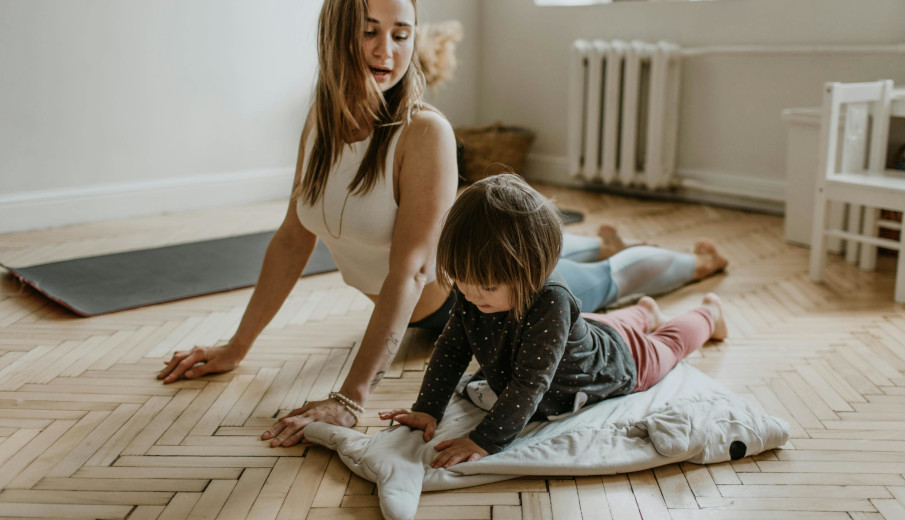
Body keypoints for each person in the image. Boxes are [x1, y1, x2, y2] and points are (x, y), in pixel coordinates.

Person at [156, 0, 727, 448]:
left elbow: (411, 270)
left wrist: (352, 398)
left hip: (482, 297)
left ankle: (696, 264)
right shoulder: (320, 123)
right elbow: (290, 240)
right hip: (466, 277)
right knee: (569, 256)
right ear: (335, 33)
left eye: (401, 34)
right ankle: (599, 251)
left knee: (605, 280)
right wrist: (237, 345)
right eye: (369, 29)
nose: (387, 49)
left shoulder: (423, 132)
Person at [379, 174, 727, 467]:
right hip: (587, 331)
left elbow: (530, 383)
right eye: (461, 282)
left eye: (485, 286)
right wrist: (427, 408)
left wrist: (484, 440)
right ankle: (646, 311)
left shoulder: (551, 301)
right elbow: (452, 349)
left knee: (668, 344)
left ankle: (709, 314)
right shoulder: (474, 291)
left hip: (619, 360)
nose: (470, 295)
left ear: (531, 271)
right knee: (606, 325)